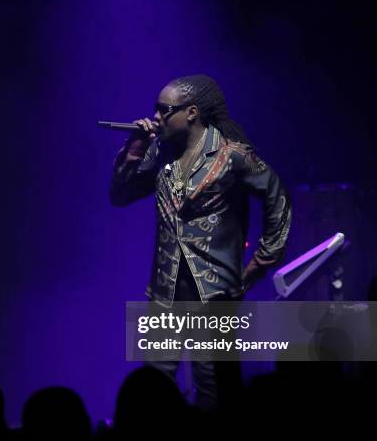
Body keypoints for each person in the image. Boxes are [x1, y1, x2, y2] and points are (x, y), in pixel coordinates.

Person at [110, 74, 292, 410]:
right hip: (164, 291)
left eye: (165, 110)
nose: (156, 118)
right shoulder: (160, 157)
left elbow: (278, 200)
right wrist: (135, 152)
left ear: (191, 112)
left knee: (214, 389)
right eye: (156, 110)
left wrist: (257, 265)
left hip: (215, 294)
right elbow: (119, 196)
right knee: (155, 388)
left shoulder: (232, 157)